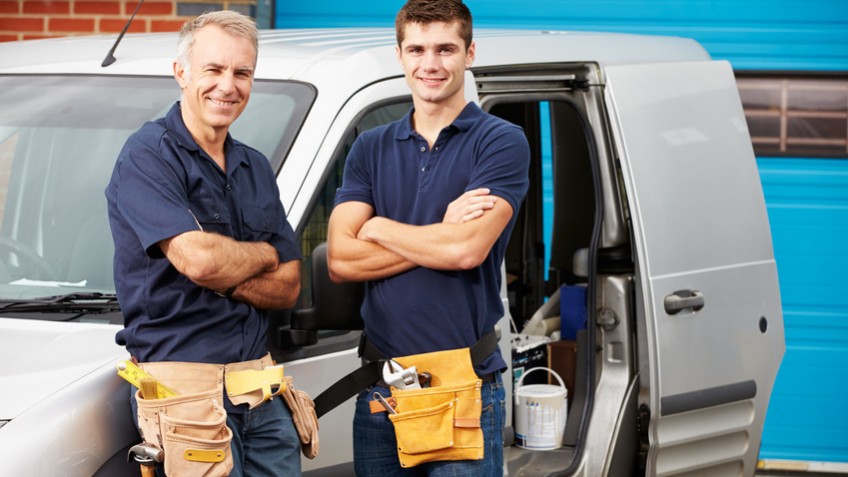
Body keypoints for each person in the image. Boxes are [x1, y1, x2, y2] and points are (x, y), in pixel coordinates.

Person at [326, 0, 530, 475]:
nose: (430, 64)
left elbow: (466, 250)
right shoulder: (370, 146)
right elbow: (340, 258)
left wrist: (376, 228)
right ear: (400, 55)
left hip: (464, 385)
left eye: (445, 48)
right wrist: (439, 232)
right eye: (416, 49)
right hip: (383, 388)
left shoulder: (500, 141)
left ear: (470, 52)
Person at [106, 11, 302, 477]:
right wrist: (264, 254)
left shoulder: (254, 166)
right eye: (213, 69)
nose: (227, 85)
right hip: (185, 399)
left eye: (242, 72)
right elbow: (200, 261)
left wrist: (229, 268)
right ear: (181, 72)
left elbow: (290, 284)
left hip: (261, 393)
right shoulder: (148, 155)